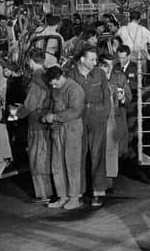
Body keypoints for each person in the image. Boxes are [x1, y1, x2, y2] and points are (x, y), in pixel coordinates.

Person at [66, 46, 111, 207]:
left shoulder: (99, 74)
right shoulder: (71, 75)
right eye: (91, 59)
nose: (95, 62)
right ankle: (78, 191)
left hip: (97, 118)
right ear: (82, 59)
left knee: (97, 154)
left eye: (95, 59)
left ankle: (98, 191)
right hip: (78, 119)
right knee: (79, 154)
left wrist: (104, 113)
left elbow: (107, 95)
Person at [14, 48, 53, 203]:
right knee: (45, 156)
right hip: (47, 121)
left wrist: (17, 113)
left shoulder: (36, 81)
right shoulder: (48, 76)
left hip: (37, 123)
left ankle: (43, 194)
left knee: (37, 158)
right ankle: (48, 191)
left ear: (30, 61)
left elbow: (30, 104)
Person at [44, 66, 85, 210]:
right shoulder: (56, 89)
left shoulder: (75, 89)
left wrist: (55, 117)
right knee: (57, 164)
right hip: (58, 129)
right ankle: (63, 196)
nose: (53, 86)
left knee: (72, 163)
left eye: (55, 83)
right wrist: (49, 117)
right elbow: (52, 106)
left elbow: (76, 111)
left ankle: (74, 198)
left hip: (72, 128)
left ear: (61, 76)